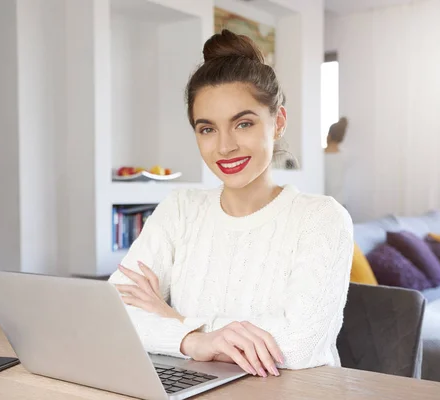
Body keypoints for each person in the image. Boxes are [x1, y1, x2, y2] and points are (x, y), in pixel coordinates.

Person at [108, 30, 353, 377]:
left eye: (243, 124)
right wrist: (193, 342)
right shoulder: (180, 209)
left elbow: (299, 345)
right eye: (207, 129)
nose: (225, 147)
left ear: (278, 122)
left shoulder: (321, 218)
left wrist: (176, 322)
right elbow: (113, 312)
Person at [324, 117, 349, 206]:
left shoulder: (319, 156)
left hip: (324, 203)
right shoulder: (345, 156)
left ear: (329, 136)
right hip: (340, 203)